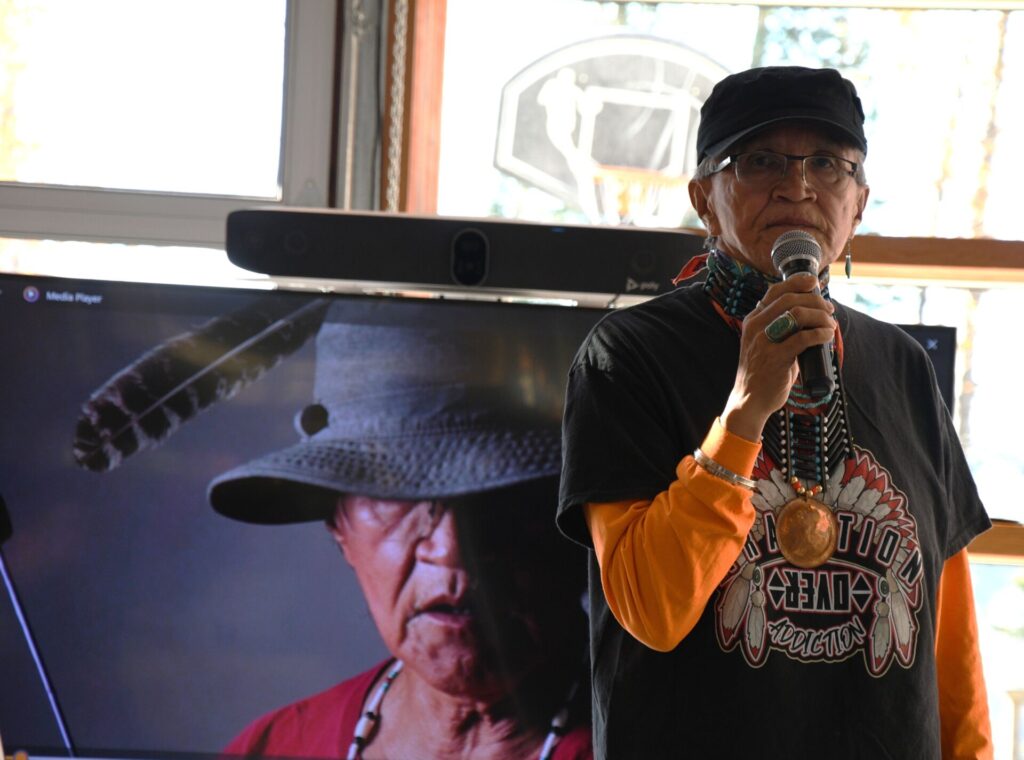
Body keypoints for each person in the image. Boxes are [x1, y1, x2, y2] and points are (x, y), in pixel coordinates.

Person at [557, 66, 992, 759]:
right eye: (761, 161)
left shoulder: (904, 365)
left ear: (860, 202)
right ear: (705, 198)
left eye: (828, 163)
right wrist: (744, 413)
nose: (798, 188)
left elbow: (951, 636)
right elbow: (652, 611)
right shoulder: (625, 357)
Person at [211, 300, 593, 760]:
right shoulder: (275, 747)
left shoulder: (667, 737)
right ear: (339, 524)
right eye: (398, 495)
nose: (450, 550)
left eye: (504, 499)